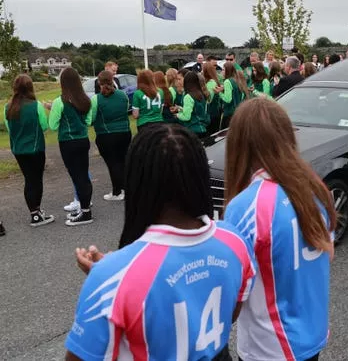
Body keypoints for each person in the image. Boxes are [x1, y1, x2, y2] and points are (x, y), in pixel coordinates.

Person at [65, 124, 255, 361]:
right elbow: (229, 313)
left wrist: (110, 275)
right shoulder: (236, 241)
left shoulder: (110, 279)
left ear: (136, 180)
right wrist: (116, 269)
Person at [222, 98, 336, 361]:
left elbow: (232, 296)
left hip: (270, 347)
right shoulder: (315, 187)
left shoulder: (245, 206)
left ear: (239, 145)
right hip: (312, 334)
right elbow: (327, 253)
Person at [4, 74, 55, 227]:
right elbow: (45, 126)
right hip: (35, 148)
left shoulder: (8, 107)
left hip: (18, 149)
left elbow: (9, 128)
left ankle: (34, 212)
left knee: (28, 180)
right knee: (36, 180)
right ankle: (36, 214)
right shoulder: (36, 105)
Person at [48, 68, 93, 226]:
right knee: (83, 176)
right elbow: (88, 122)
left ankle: (86, 212)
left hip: (68, 142)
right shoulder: (86, 100)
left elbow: (52, 125)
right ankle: (85, 208)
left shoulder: (60, 101)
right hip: (83, 140)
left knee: (77, 177)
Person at [90, 70, 131, 201]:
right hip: (125, 132)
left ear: (99, 83)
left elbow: (91, 118)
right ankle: (125, 189)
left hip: (106, 134)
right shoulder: (123, 95)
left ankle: (117, 192)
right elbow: (126, 110)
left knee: (113, 163)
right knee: (123, 161)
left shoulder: (96, 99)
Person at [175, 71, 210, 138]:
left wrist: (177, 115)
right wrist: (181, 108)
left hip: (192, 130)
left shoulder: (188, 96)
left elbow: (187, 117)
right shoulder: (202, 94)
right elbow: (196, 111)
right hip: (203, 128)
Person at [219, 62, 251, 129]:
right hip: (237, 112)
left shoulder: (227, 81)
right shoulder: (236, 80)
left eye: (223, 70)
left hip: (229, 113)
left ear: (228, 71)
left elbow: (228, 99)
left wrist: (219, 93)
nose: (222, 71)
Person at [203, 61, 223, 134]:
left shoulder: (211, 83)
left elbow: (208, 100)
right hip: (213, 113)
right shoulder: (212, 81)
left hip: (212, 114)